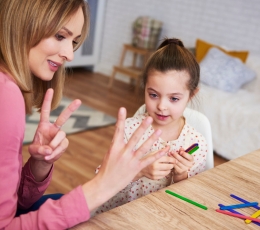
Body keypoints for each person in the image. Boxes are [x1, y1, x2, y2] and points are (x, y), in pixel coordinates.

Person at [0, 0, 169, 229]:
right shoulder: (6, 95)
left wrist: (39, 165)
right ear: (23, 23)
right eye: (61, 36)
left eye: (74, 41)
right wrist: (102, 186)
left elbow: (15, 203)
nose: (70, 54)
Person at [92, 38, 208, 216]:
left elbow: (187, 203)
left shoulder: (196, 143)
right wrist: (140, 170)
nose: (161, 106)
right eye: (153, 95)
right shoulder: (131, 130)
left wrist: (181, 176)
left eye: (174, 99)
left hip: (161, 218)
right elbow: (100, 180)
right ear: (145, 87)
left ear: (191, 95)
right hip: (117, 216)